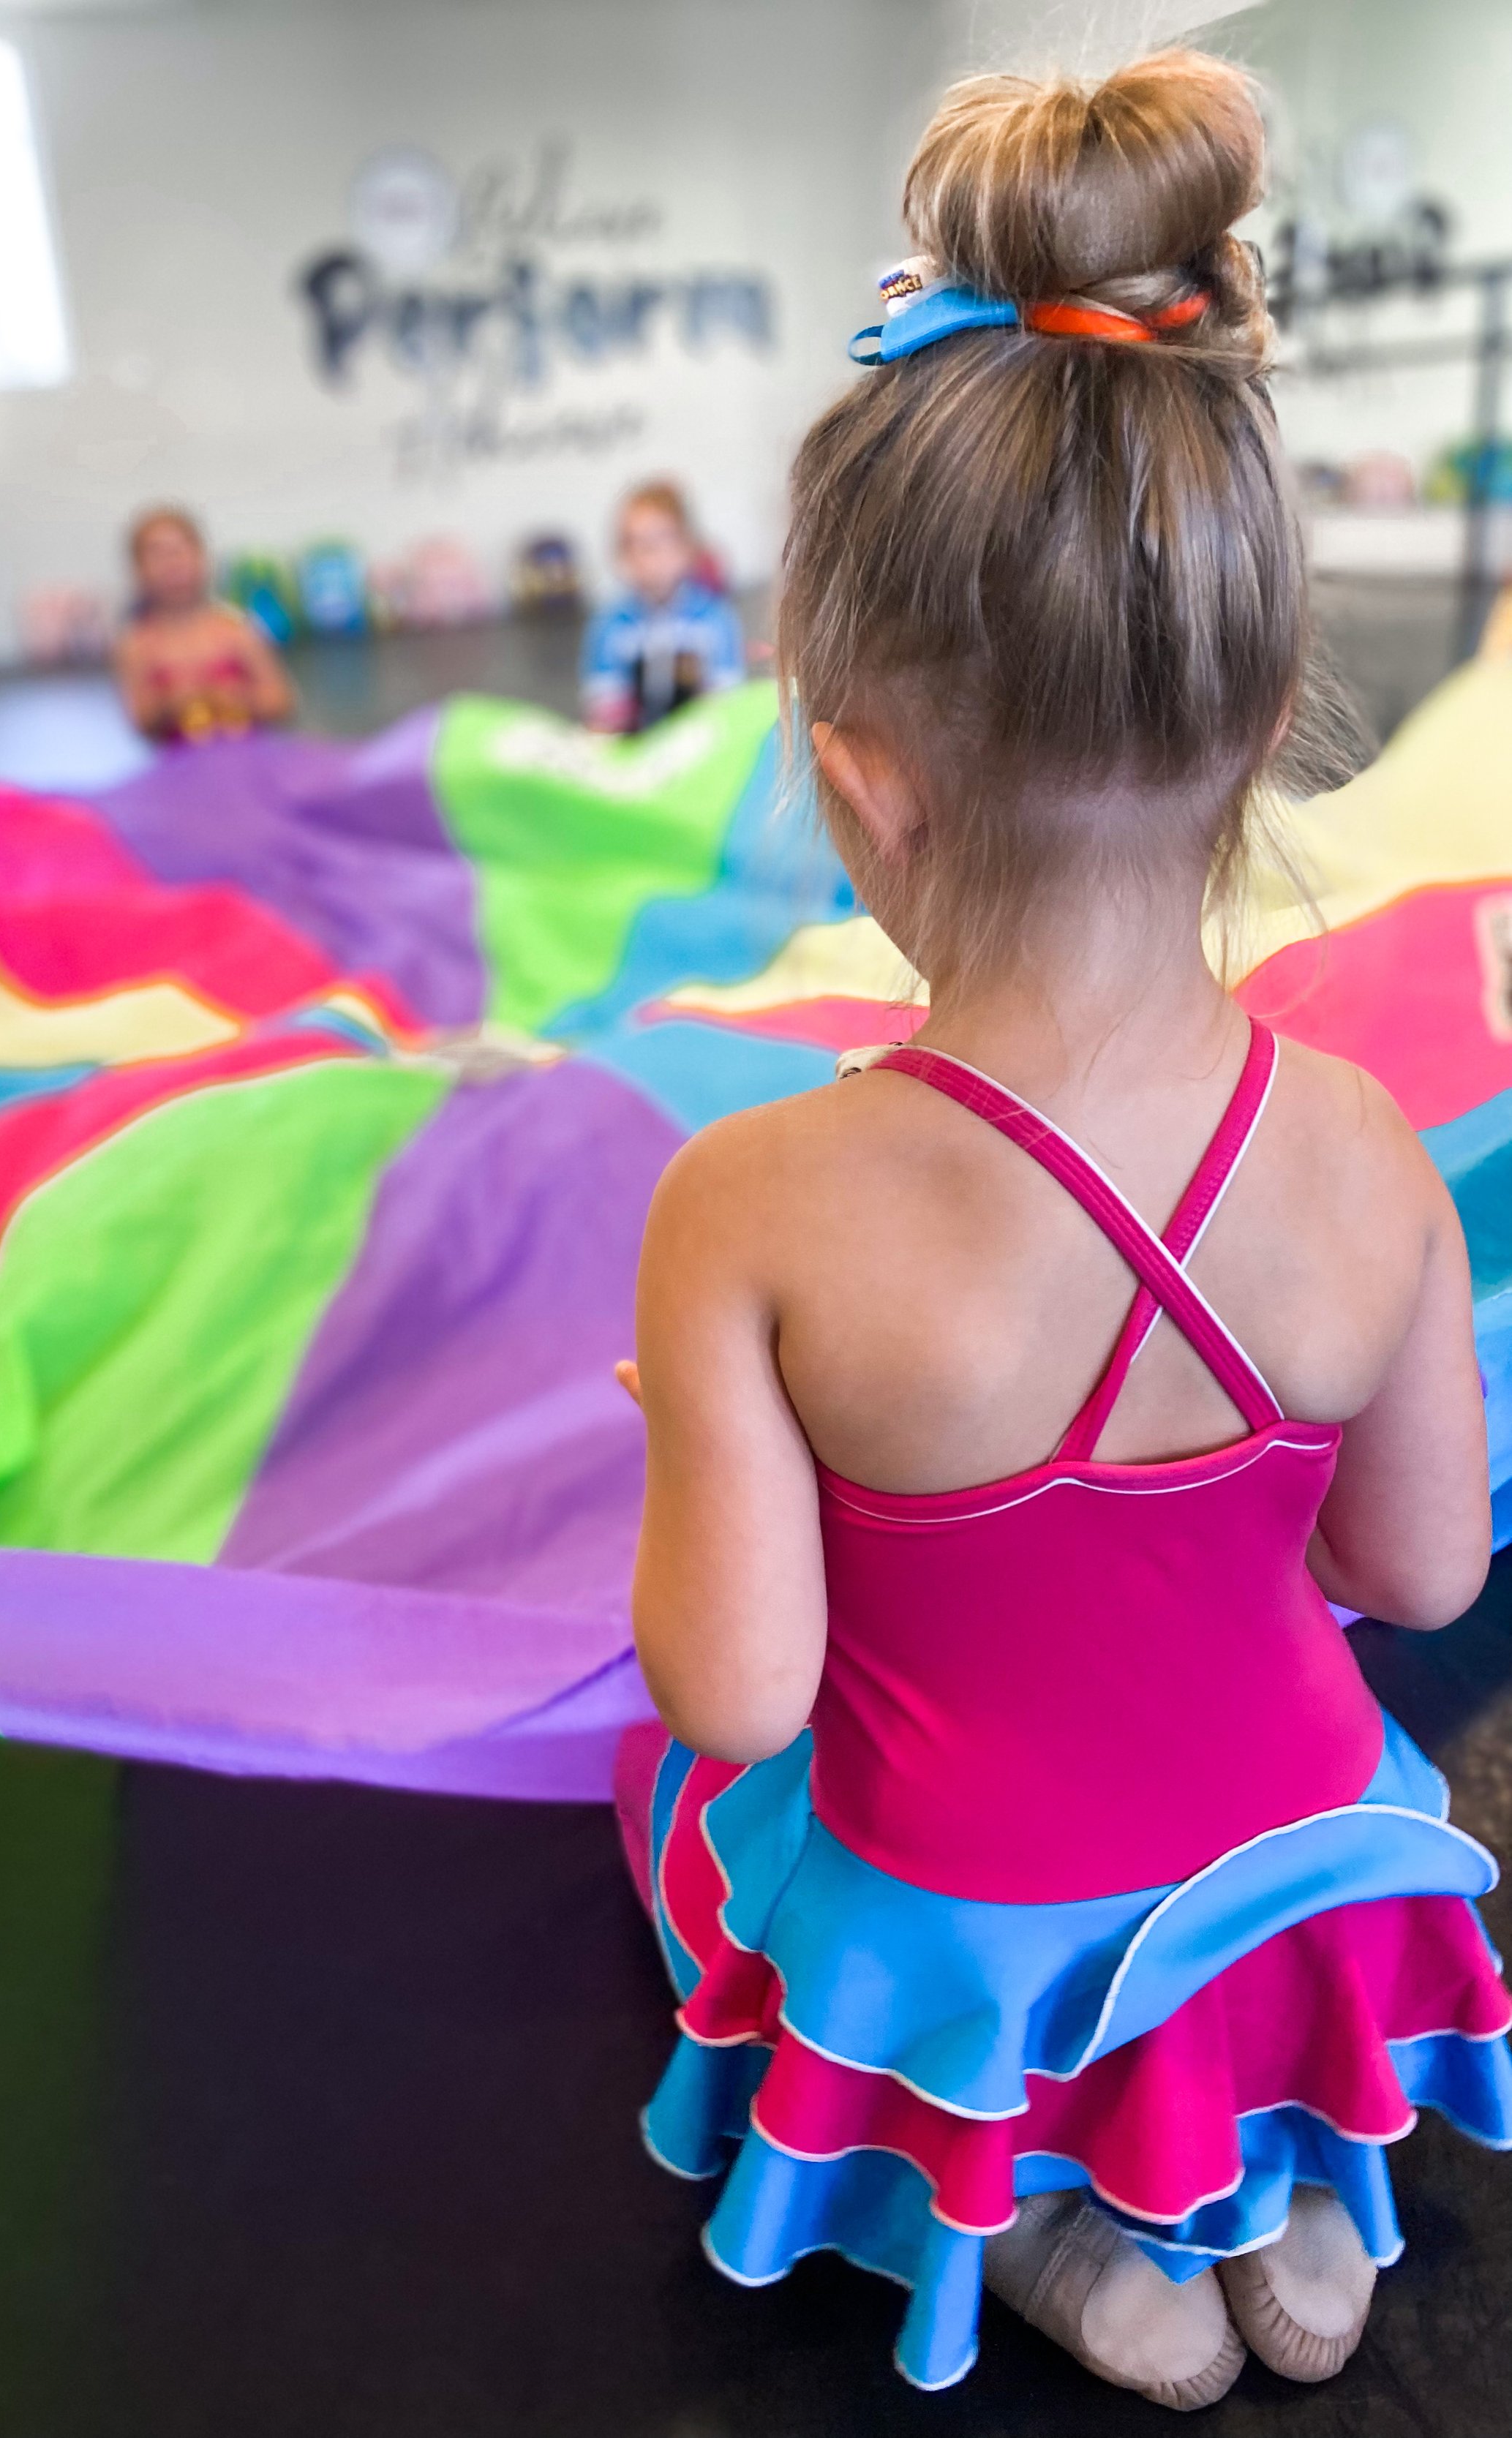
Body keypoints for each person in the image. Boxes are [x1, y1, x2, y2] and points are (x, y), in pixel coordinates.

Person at [617, 50, 1512, 2411]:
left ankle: (1045, 2222)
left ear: (854, 783)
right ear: (1257, 729)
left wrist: (703, 1444)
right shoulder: (1373, 1147)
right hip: (1301, 1863)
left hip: (982, 1918)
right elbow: (1424, 1581)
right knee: (1245, 1856)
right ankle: (1286, 2179)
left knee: (699, 1830)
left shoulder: (747, 1207)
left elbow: (734, 1697)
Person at [113, 506, 294, 744]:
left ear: (202, 558)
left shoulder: (236, 630)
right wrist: (172, 704)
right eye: (157, 554)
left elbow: (281, 701)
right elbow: (141, 721)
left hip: (249, 763)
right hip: (182, 770)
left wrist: (235, 698)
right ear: (138, 570)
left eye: (179, 551)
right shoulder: (137, 644)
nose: (172, 564)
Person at [579, 481, 745, 734]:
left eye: (658, 541)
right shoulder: (609, 624)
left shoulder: (716, 620)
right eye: (633, 543)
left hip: (700, 750)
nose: (645, 555)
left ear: (687, 547)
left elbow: (727, 708)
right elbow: (603, 711)